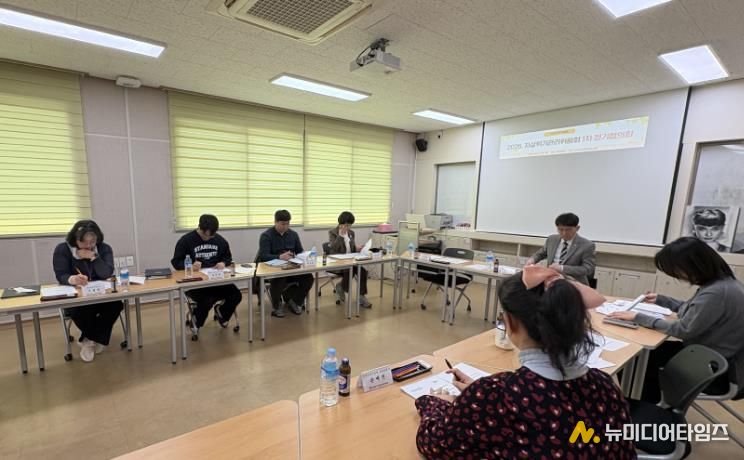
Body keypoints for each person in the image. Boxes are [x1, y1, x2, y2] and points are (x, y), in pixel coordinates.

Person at [415, 270, 634, 459]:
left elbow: (434, 445)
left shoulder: (497, 396)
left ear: (510, 322)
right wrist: (477, 396)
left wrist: (437, 403)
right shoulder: (606, 386)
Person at [609, 236, 744, 403]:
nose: (677, 276)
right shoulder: (723, 284)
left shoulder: (716, 292)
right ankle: (646, 403)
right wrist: (663, 300)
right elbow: (692, 310)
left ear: (693, 265)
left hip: (712, 367)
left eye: (676, 271)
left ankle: (650, 408)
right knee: (641, 355)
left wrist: (638, 317)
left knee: (636, 361)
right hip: (709, 355)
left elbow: (683, 330)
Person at [53, 220, 123, 362]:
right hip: (77, 296)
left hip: (101, 294)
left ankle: (89, 339)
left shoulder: (104, 248)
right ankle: (94, 340)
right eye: (84, 242)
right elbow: (61, 274)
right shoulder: (63, 249)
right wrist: (73, 279)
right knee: (81, 309)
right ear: (75, 239)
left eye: (92, 242)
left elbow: (106, 273)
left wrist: (93, 257)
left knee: (116, 305)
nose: (89, 246)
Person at [171, 214, 242, 335]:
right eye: (206, 235)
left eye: (211, 236)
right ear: (200, 228)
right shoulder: (185, 241)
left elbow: (228, 258)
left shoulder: (220, 240)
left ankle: (222, 313)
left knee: (236, 295)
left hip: (216, 280)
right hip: (196, 283)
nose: (208, 238)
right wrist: (189, 266)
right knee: (207, 300)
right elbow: (176, 262)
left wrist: (223, 263)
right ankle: (196, 323)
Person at [257, 209, 313, 317]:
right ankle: (276, 306)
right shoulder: (266, 236)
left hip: (291, 267)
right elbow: (263, 256)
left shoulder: (293, 234)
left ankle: (295, 301)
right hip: (273, 269)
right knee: (280, 278)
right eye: (283, 224)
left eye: (287, 224)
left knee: (308, 278)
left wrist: (304, 256)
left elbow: (300, 251)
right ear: (275, 222)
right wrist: (280, 257)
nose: (285, 226)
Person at [526, 212, 596, 285]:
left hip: (573, 284)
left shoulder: (587, 245)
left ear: (577, 228)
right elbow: (541, 253)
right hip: (550, 280)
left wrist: (562, 268)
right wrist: (532, 260)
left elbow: (588, 269)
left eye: (568, 230)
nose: (564, 233)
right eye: (560, 229)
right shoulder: (551, 239)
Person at [328, 211, 371, 308]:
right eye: (346, 225)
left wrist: (358, 248)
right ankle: (342, 287)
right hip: (337, 262)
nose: (348, 228)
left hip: (350, 260)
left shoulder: (351, 233)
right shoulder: (332, 232)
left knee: (362, 271)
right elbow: (334, 248)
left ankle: (361, 296)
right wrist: (340, 236)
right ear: (341, 224)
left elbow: (351, 248)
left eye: (350, 225)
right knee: (349, 270)